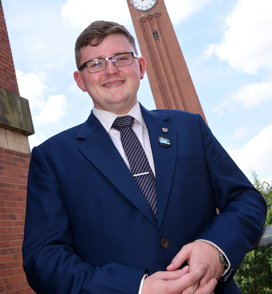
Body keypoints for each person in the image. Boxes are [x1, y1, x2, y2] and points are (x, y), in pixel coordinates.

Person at [23, 21, 266, 294]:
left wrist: (215, 247)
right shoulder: (53, 157)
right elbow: (43, 258)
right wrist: (134, 288)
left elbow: (246, 199)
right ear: (81, 81)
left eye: (121, 58)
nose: (111, 70)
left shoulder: (189, 128)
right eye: (96, 63)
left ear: (140, 67)